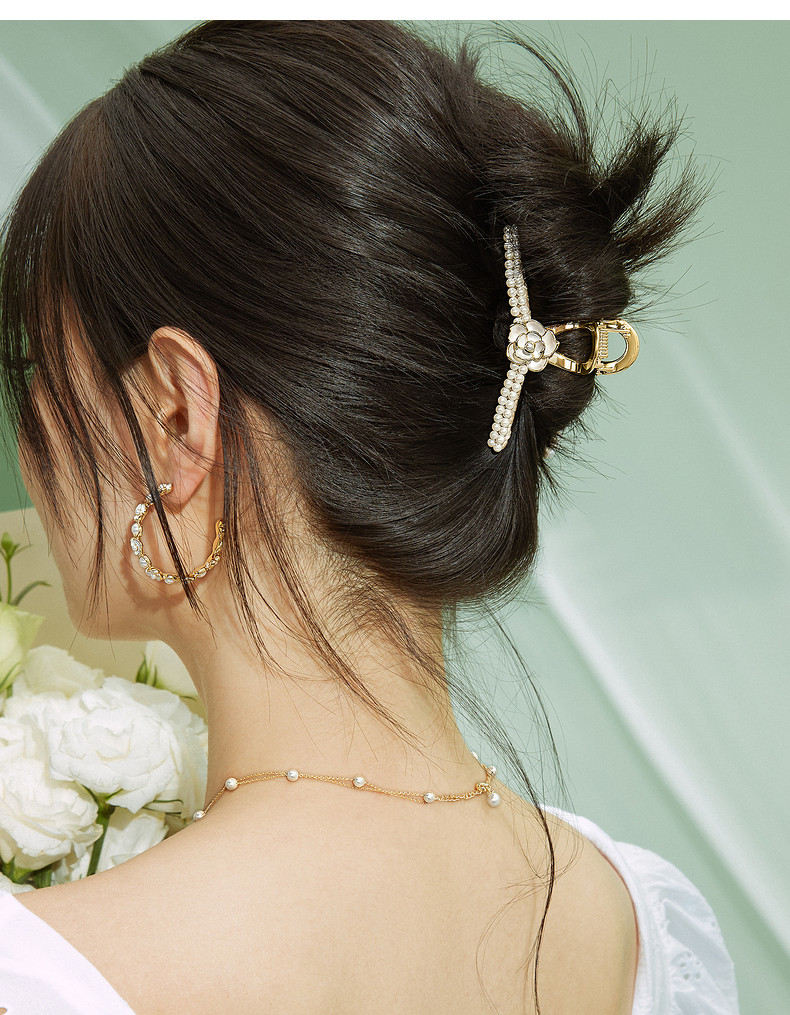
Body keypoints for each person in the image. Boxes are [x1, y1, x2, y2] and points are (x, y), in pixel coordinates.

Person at [0, 20, 739, 1015]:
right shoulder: (638, 923)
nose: (28, 437)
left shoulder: (41, 975)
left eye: (38, 368)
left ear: (176, 418)